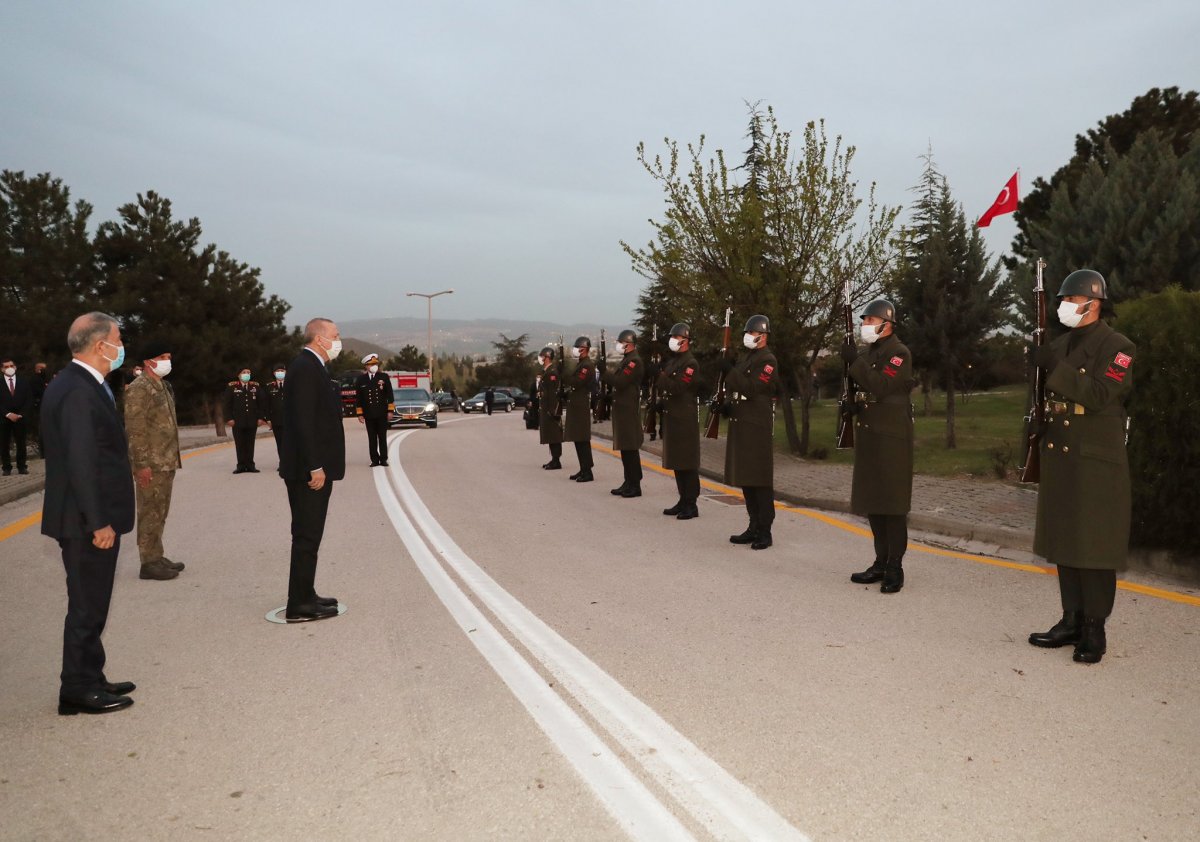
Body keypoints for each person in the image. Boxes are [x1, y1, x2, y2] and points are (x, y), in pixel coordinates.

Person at [1028, 269, 1134, 664]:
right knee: (1066, 538)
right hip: (1061, 451)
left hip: (1095, 458)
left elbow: (1100, 393)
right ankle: (1070, 619)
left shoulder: (1119, 347)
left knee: (1094, 544)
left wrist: (1052, 368)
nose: (1064, 307)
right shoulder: (1058, 343)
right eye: (1062, 301)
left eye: (1070, 301)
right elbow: (1044, 395)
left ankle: (1095, 627)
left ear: (1093, 302)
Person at [40, 312, 137, 715]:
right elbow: (81, 462)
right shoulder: (79, 390)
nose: (120, 346)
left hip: (85, 516)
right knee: (86, 604)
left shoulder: (81, 383)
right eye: (117, 339)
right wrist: (98, 522)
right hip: (85, 520)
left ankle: (91, 674)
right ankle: (77, 688)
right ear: (101, 346)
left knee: (93, 601)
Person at [840, 299, 916, 593]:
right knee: (874, 501)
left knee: (892, 503)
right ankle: (880, 561)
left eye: (871, 320)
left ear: (887, 324)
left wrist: (854, 363)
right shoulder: (869, 352)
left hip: (891, 437)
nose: (865, 326)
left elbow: (882, 386)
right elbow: (865, 391)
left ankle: (895, 566)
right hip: (871, 435)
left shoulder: (899, 352)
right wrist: (852, 406)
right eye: (864, 321)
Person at [278, 317, 346, 621]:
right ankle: (299, 605)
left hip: (313, 467)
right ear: (319, 339)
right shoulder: (305, 368)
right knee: (306, 536)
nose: (338, 340)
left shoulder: (313, 366)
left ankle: (307, 593)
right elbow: (304, 422)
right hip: (309, 471)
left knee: (310, 536)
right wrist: (315, 466)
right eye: (335, 335)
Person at [124, 342, 184, 582]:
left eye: (169, 356)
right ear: (149, 361)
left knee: (160, 511)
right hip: (152, 462)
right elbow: (136, 428)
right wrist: (141, 464)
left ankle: (156, 555)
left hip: (167, 459)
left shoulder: (162, 385)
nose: (167, 361)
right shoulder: (140, 388)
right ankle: (148, 563)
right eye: (162, 356)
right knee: (149, 510)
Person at [721, 315, 779, 550]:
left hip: (756, 424)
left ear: (762, 336)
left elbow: (753, 388)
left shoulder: (768, 360)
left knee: (760, 479)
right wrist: (726, 403)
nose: (747, 336)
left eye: (751, 332)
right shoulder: (748, 357)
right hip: (742, 422)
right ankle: (753, 525)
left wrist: (730, 371)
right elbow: (737, 387)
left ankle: (765, 530)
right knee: (747, 478)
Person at [657, 323, 702, 520]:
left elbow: (678, 388)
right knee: (677, 460)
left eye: (676, 337)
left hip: (684, 418)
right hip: (673, 416)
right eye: (672, 337)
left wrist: (660, 377)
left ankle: (691, 504)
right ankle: (683, 500)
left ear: (686, 341)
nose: (673, 340)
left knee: (687, 462)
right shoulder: (674, 361)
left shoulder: (690, 363)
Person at [601, 329, 645, 498]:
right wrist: (609, 396)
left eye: (620, 342)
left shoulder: (634, 361)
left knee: (630, 448)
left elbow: (621, 382)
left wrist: (604, 373)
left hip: (628, 410)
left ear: (629, 344)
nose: (618, 345)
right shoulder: (627, 360)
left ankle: (635, 484)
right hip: (622, 408)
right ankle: (628, 481)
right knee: (625, 449)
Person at [563, 336, 596, 482]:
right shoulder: (581, 364)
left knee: (582, 439)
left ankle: (588, 471)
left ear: (584, 349)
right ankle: (583, 469)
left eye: (578, 347)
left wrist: (564, 375)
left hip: (581, 405)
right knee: (578, 439)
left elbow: (577, 382)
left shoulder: (586, 365)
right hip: (576, 404)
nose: (575, 350)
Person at [355, 353, 394, 467]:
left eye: (375, 364)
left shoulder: (383, 377)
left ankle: (383, 459)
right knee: (372, 439)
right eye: (371, 364)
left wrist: (390, 411)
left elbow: (389, 394)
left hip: (382, 413)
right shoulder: (361, 380)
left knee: (382, 437)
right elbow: (359, 398)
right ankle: (374, 460)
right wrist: (360, 414)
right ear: (366, 366)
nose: (374, 366)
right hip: (369, 414)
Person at [224, 367, 265, 473]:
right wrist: (229, 418)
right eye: (244, 372)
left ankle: (251, 465)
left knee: (250, 443)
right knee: (240, 443)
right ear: (239, 375)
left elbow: (261, 403)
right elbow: (227, 404)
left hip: (252, 420)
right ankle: (241, 465)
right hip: (237, 421)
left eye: (248, 372)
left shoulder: (255, 387)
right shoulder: (232, 387)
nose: (247, 374)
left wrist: (261, 418)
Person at [2, 357, 33, 475]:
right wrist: (7, 414)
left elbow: (29, 399)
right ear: (2, 369)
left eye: (11, 366)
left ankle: (22, 466)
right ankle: (6, 468)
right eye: (6, 366)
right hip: (4, 418)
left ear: (15, 367)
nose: (9, 368)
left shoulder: (23, 382)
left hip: (20, 418)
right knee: (4, 444)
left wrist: (21, 414)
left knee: (21, 443)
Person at [537, 347, 564, 469]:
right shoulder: (546, 371)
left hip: (551, 409)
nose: (540, 358)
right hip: (546, 408)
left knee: (554, 434)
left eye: (542, 356)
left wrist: (553, 410)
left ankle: (556, 460)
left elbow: (553, 393)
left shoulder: (552, 372)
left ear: (547, 357)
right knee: (550, 434)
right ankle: (554, 458)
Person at [264, 363, 288, 465]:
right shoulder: (269, 387)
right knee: (280, 442)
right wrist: (268, 419)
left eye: (282, 371)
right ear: (274, 373)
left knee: (291, 442)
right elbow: (266, 404)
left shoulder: (292, 384)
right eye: (278, 371)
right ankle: (283, 463)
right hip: (276, 420)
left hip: (291, 420)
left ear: (286, 372)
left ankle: (292, 463)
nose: (280, 373)